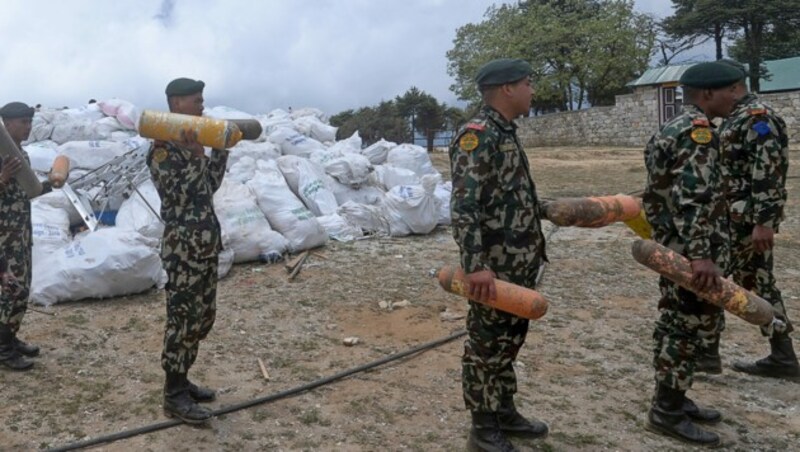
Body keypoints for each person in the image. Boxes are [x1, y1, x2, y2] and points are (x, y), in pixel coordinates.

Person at [642, 61, 744, 447]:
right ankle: (666, 410)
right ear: (706, 95)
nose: (734, 97)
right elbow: (695, 198)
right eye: (728, 91)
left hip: (677, 245)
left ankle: (676, 398)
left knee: (683, 324)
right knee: (683, 326)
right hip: (689, 252)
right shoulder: (696, 133)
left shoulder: (674, 127)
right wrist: (701, 255)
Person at [449, 58, 548, 452]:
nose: (532, 90)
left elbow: (505, 196)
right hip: (493, 267)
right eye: (528, 83)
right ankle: (483, 427)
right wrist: (475, 266)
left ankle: (504, 410)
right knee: (485, 346)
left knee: (509, 341)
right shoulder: (478, 135)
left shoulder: (505, 131)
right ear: (507, 88)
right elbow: (464, 207)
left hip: (518, 263)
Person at [708, 60, 797, 380]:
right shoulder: (736, 119)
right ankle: (783, 355)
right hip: (735, 218)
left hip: (746, 222)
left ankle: (706, 352)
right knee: (758, 283)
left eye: (713, 91)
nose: (709, 99)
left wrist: (764, 221)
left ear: (734, 88)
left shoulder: (759, 119)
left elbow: (769, 174)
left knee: (712, 279)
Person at [147, 78, 228, 423]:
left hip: (205, 245)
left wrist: (219, 152)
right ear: (177, 104)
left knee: (202, 317)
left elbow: (208, 186)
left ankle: (184, 380)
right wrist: (196, 158)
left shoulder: (193, 146)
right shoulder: (162, 149)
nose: (202, 106)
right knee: (182, 320)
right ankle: (173, 394)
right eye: (197, 100)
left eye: (202, 99)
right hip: (184, 249)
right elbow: (177, 194)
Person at [0, 101, 53, 371]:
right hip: (4, 238)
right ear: (7, 125)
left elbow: (28, 192)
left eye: (30, 122)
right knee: (12, 291)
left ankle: (10, 336)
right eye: (23, 122)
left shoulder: (21, 155)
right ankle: (4, 348)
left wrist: (51, 185)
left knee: (23, 288)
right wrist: (2, 178)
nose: (28, 126)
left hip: (22, 232)